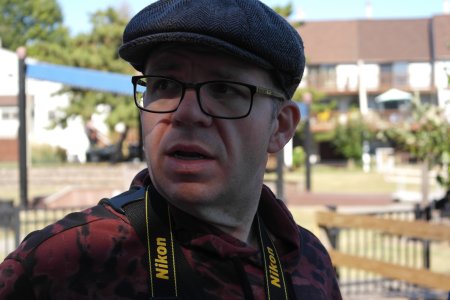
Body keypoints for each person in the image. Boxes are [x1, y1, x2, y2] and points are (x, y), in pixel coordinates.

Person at [0, 0, 342, 299]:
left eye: (223, 89)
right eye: (164, 84)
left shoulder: (309, 261)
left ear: (280, 126)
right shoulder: (62, 261)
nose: (186, 112)